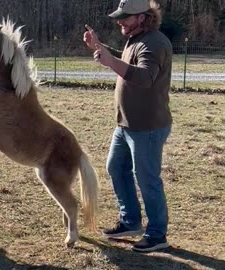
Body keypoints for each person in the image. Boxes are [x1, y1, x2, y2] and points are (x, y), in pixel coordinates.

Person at [84, 0, 172, 252]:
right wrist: (100, 48)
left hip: (147, 127)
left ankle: (157, 234)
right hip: (126, 124)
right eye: (120, 17)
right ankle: (130, 221)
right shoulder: (136, 38)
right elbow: (128, 62)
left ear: (143, 17)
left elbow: (144, 77)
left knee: (146, 179)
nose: (120, 21)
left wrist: (110, 61)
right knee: (116, 168)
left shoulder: (154, 43)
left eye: (126, 18)